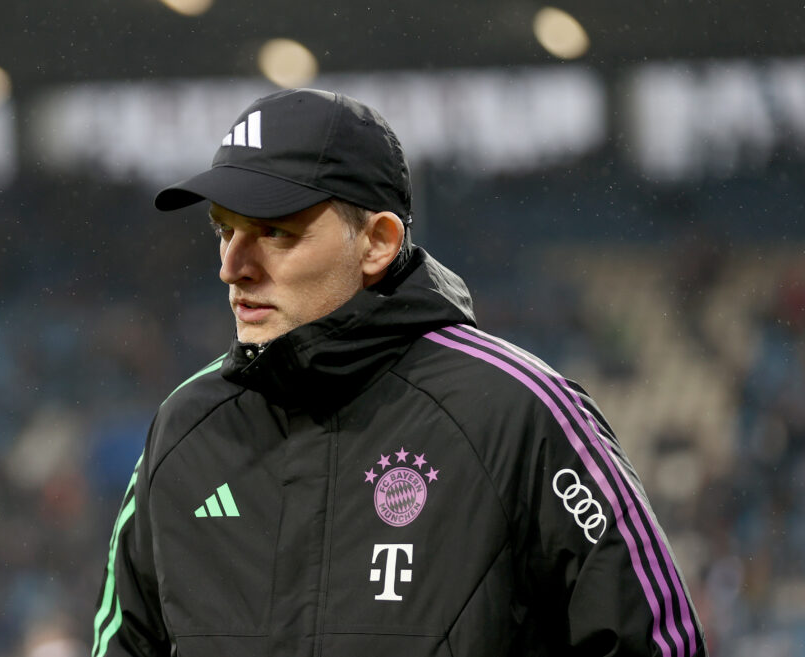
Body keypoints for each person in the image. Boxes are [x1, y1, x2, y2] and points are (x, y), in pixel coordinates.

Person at [91, 88, 707, 657]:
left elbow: (656, 642)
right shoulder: (184, 429)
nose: (232, 267)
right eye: (225, 231)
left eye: (274, 232)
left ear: (378, 243)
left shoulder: (519, 413)